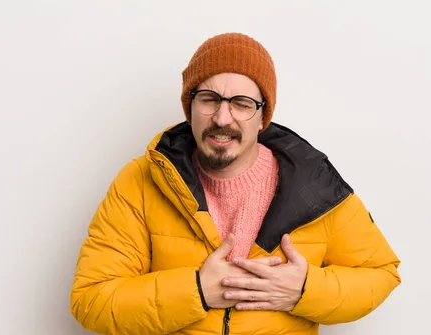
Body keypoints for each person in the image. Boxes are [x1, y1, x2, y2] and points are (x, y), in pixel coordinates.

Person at [70, 32, 401, 335]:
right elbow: (91, 298)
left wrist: (305, 290)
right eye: (209, 99)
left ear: (262, 118)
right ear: (190, 108)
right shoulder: (140, 180)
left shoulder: (314, 186)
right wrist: (196, 291)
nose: (222, 118)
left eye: (242, 104)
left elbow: (381, 273)